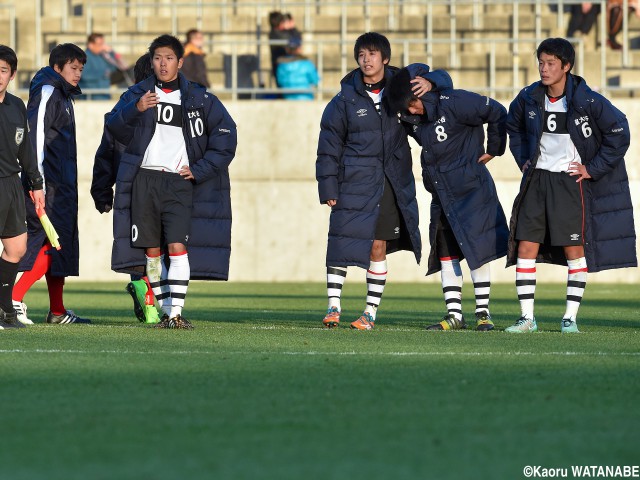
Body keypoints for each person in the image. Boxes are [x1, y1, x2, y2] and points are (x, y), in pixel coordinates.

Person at [316, 32, 449, 330]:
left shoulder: (400, 87)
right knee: (341, 242)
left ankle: (369, 313)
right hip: (353, 180)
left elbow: (439, 76)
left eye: (373, 54)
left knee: (378, 246)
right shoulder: (343, 100)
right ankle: (333, 307)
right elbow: (328, 147)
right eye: (361, 55)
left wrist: (432, 82)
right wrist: (328, 186)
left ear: (385, 58)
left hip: (391, 181)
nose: (366, 60)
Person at [105, 35, 237, 329]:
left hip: (178, 182)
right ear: (151, 61)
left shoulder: (199, 98)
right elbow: (112, 126)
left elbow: (226, 137)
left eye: (168, 58)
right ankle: (164, 310)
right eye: (157, 58)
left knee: (177, 247)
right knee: (151, 251)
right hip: (145, 180)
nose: (162, 64)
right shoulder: (135, 95)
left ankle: (175, 312)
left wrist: (200, 169)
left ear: (180, 62)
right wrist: (134, 109)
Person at [505, 37, 635, 333]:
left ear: (566, 66)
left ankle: (569, 319)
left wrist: (593, 168)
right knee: (525, 247)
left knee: (574, 249)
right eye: (541, 62)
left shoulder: (587, 100)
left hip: (569, 182)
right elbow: (512, 125)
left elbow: (619, 132)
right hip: (537, 180)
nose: (544, 68)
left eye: (551, 63)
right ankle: (527, 319)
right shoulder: (528, 97)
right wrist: (523, 158)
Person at [386, 65, 509, 332]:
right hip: (441, 194)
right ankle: (455, 315)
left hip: (471, 190)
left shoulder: (455, 102)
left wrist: (494, 149)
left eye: (413, 106)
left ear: (421, 94)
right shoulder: (411, 117)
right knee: (446, 254)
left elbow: (498, 111)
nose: (411, 113)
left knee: (477, 250)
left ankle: (483, 314)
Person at [12, 43, 91, 325]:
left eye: (81, 69)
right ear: (57, 67)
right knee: (49, 245)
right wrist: (38, 184)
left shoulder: (63, 95)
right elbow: (35, 140)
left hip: (62, 185)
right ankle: (13, 299)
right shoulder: (47, 92)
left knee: (60, 246)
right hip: (48, 187)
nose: (78, 73)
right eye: (73, 67)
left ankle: (57, 311)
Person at [91, 53, 159, 324]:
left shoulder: (121, 109)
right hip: (159, 185)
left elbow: (104, 153)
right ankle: (153, 302)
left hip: (128, 186)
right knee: (160, 245)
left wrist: (102, 192)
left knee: (136, 244)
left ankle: (143, 293)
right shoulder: (169, 106)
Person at [0, 45, 45, 329]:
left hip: (12, 185)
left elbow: (26, 150)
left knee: (17, 248)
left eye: (3, 71)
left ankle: (5, 309)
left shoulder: (17, 105)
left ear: (12, 74)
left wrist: (36, 184)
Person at [78, 33, 127, 99]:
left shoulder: (102, 56)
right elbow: (84, 75)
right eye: (100, 44)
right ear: (90, 45)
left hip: (104, 95)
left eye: (103, 44)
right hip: (91, 97)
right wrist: (104, 73)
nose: (103, 46)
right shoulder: (84, 57)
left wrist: (112, 52)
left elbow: (115, 68)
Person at [276, 36, 319, 100]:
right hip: (306, 98)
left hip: (288, 98)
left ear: (287, 49)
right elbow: (315, 80)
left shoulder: (281, 65)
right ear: (299, 49)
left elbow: (280, 81)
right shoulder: (307, 64)